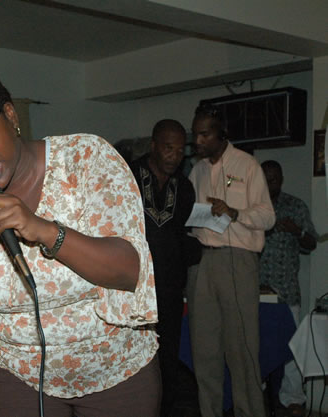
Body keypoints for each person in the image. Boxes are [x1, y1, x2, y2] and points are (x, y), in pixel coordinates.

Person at [0, 68, 160, 417]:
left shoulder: (85, 159)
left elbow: (128, 270)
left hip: (115, 373)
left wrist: (42, 229)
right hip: (19, 378)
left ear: (11, 116)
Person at [186, 104, 275, 417]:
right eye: (195, 133)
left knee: (242, 349)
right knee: (204, 349)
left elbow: (267, 216)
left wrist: (235, 213)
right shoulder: (195, 171)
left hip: (236, 260)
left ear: (221, 134)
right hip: (201, 261)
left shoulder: (247, 165)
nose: (197, 140)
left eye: (204, 134)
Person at [129, 119, 201, 417]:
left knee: (167, 356)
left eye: (180, 150)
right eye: (168, 148)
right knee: (133, 356)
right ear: (154, 146)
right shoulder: (128, 176)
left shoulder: (183, 187)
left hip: (169, 287)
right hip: (131, 285)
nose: (174, 155)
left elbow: (182, 233)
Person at [260, 160, 317, 417]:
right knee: (254, 345)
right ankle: (256, 392)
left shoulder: (295, 205)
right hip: (253, 291)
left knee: (292, 347)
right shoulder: (251, 208)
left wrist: (297, 230)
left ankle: (293, 397)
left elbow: (311, 243)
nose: (270, 183)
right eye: (266, 178)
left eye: (274, 178)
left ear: (281, 179)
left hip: (286, 291)